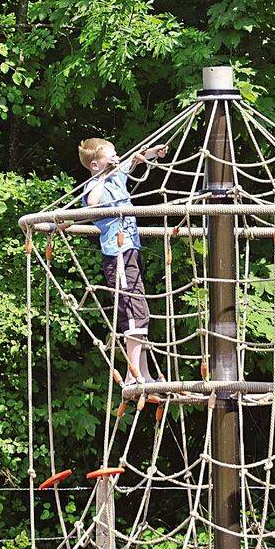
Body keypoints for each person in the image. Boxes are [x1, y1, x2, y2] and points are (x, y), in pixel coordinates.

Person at [78, 137, 167, 385]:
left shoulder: (116, 175)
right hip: (117, 254)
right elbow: (93, 203)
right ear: (96, 165)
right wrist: (105, 174)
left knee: (139, 314)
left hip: (130, 250)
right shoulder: (95, 184)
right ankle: (132, 375)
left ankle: (144, 374)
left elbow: (133, 160)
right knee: (135, 313)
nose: (117, 158)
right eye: (111, 156)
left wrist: (152, 153)